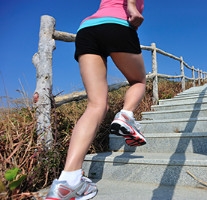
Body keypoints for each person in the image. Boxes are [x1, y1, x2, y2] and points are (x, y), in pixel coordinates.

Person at [45, 0, 146, 199]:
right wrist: (132, 7)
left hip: (87, 28)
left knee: (96, 104)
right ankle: (125, 115)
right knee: (139, 80)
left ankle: (68, 181)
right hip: (118, 23)